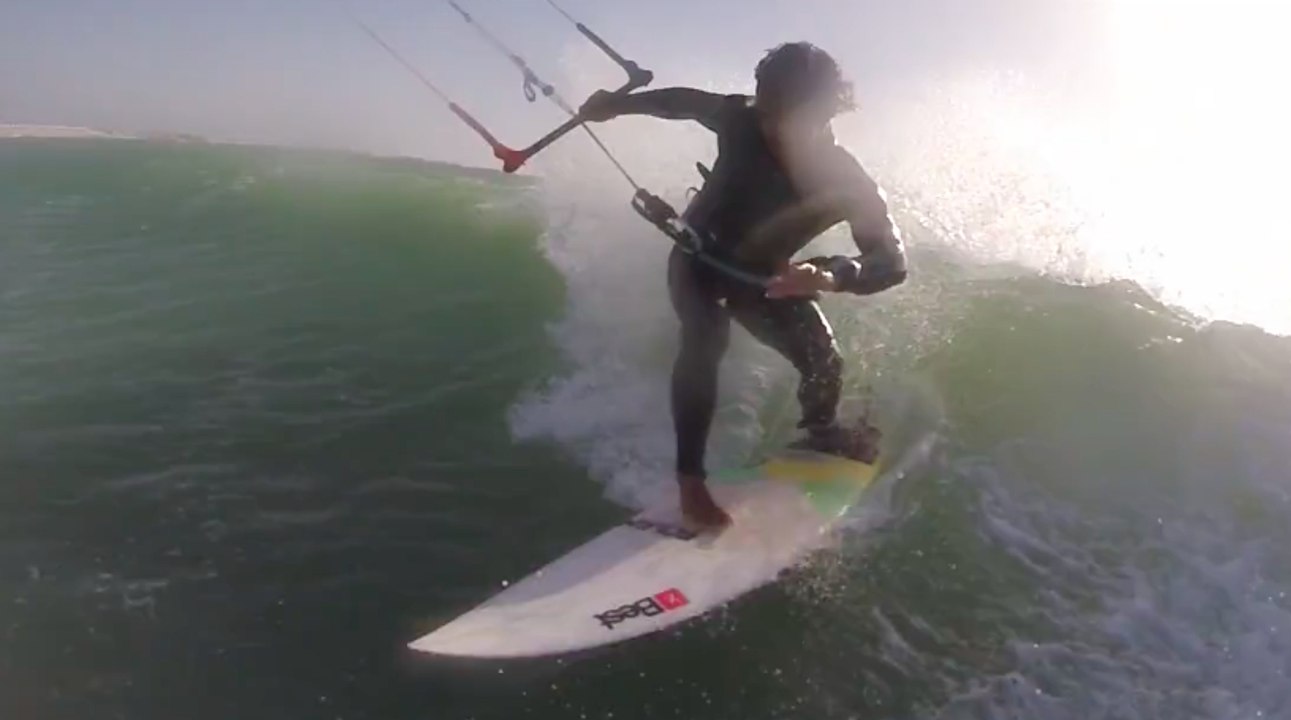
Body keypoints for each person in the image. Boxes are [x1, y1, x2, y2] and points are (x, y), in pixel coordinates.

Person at [579, 42, 907, 529]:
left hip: (762, 279)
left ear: (826, 111)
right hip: (698, 260)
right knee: (705, 338)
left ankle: (820, 432)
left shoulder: (845, 179)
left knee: (823, 359)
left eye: (787, 119)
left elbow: (891, 259)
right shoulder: (742, 120)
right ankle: (690, 485)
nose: (773, 129)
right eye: (768, 113)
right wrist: (617, 105)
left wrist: (833, 274)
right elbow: (684, 102)